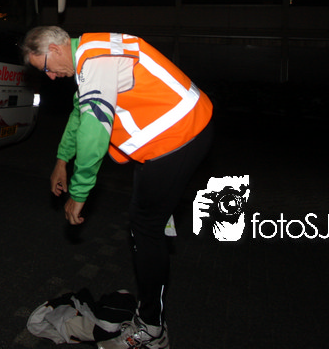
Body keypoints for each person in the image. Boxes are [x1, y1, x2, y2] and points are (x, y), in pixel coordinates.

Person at [21, 26, 214, 349]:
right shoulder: (89, 53)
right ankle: (151, 309)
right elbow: (79, 112)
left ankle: (152, 330)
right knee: (146, 224)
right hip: (177, 134)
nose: (50, 77)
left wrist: (79, 193)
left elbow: (94, 128)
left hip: (180, 135)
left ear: (54, 49)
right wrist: (62, 159)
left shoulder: (95, 62)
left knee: (145, 228)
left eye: (46, 68)